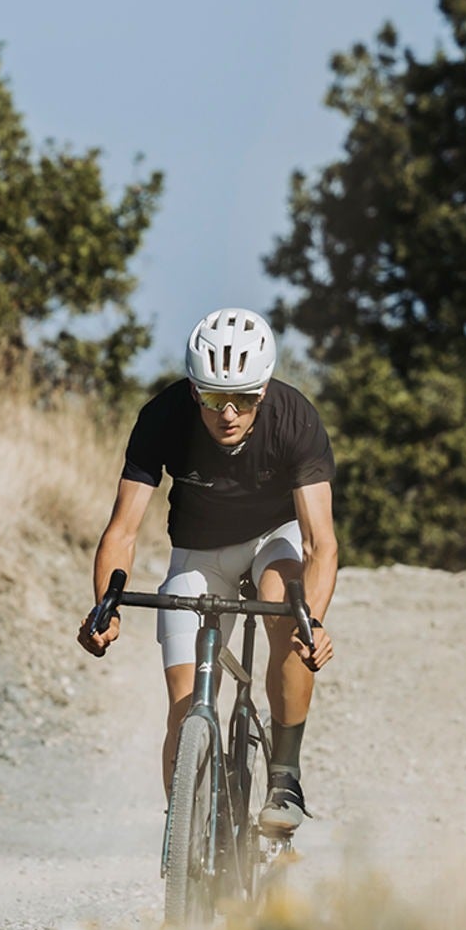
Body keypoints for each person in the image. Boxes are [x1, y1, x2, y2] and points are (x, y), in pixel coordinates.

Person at [77, 308, 337, 836]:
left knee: (286, 608)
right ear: (195, 392)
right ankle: (189, 832)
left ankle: (285, 774)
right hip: (198, 550)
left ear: (263, 390)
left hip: (274, 538)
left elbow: (319, 543)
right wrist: (105, 606)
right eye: (216, 399)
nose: (229, 414)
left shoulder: (296, 417)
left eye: (243, 399)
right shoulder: (163, 416)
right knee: (183, 705)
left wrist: (313, 621)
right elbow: (122, 530)